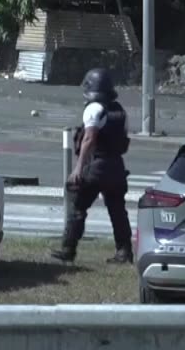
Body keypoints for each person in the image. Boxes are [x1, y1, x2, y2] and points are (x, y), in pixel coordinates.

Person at [51, 68, 133, 264]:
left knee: (77, 203)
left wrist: (78, 169)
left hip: (96, 165)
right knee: (118, 211)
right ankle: (124, 252)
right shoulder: (119, 111)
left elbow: (89, 139)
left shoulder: (93, 109)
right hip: (116, 167)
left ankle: (68, 249)